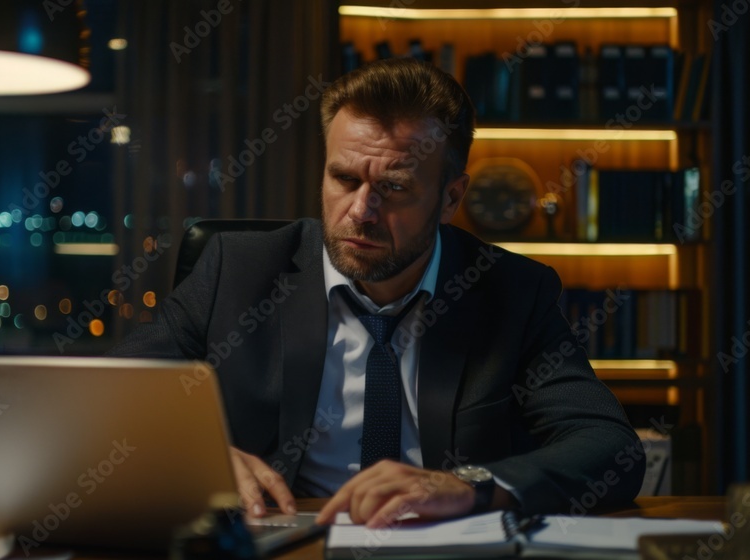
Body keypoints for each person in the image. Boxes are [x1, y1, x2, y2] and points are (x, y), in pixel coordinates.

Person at [109, 57, 645, 528]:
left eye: (394, 187)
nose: (361, 211)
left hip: (437, 545)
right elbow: (106, 400)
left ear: (450, 196)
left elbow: (609, 448)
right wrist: (196, 456)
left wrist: (471, 485)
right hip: (285, 540)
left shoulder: (512, 291)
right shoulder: (238, 270)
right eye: (344, 179)